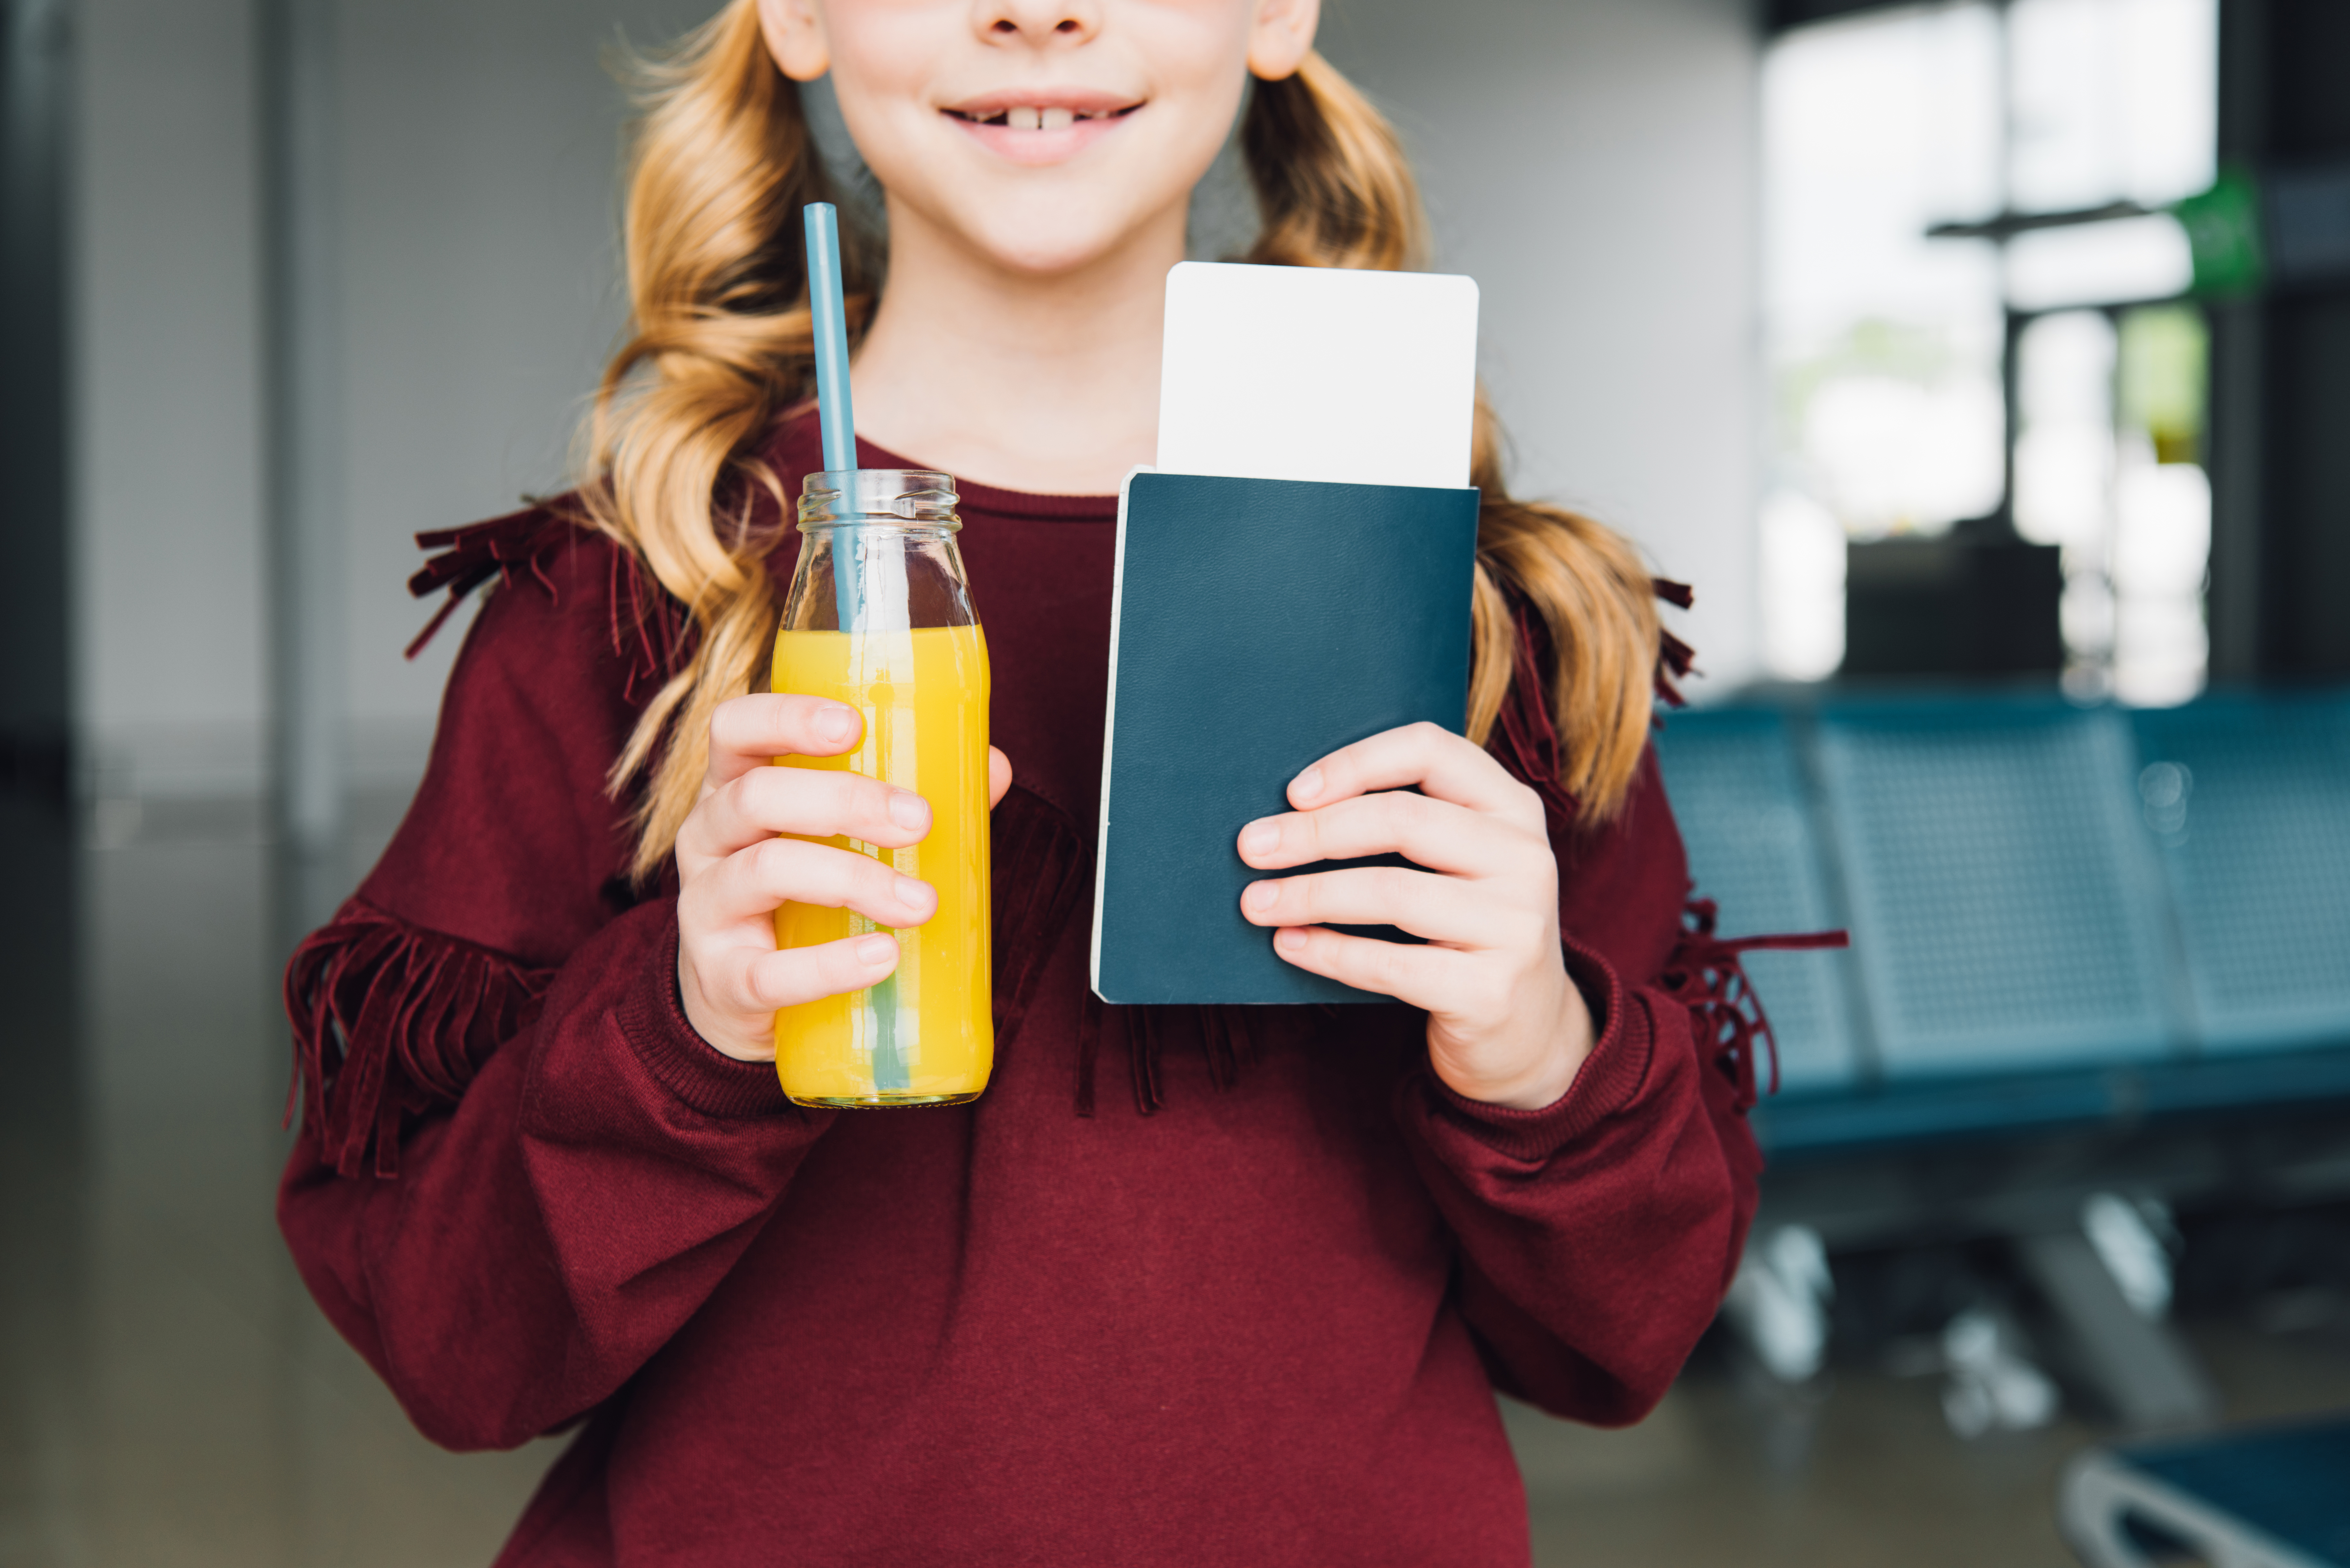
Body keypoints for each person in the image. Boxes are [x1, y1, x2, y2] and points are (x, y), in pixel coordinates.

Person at [278, 1, 1770, 1562]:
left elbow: (1622, 1344)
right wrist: (685, 1018)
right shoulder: (621, 606)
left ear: (1276, 11)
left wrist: (1537, 1047)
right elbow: (452, 1350)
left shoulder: (1491, 628)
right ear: (794, 15)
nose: (1036, 8)